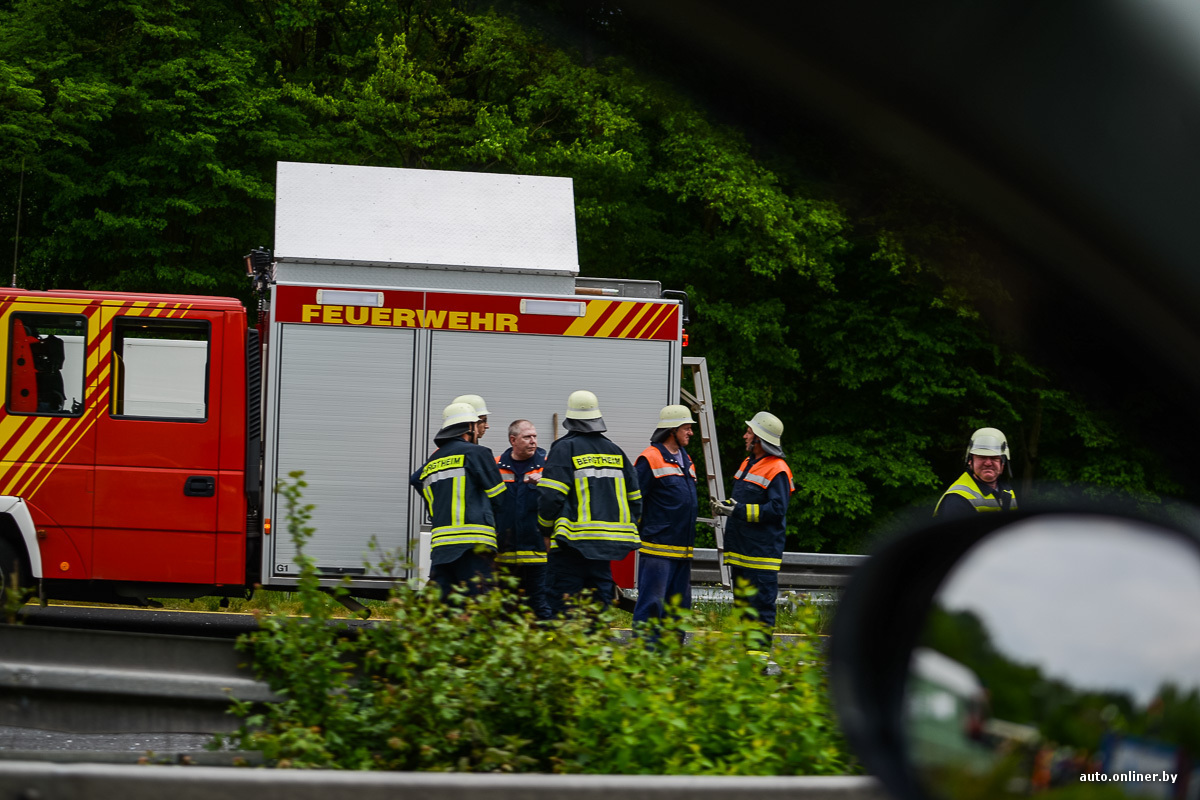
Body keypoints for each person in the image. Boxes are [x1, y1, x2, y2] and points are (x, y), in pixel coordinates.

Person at [538, 390, 642, 615]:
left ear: (570, 420)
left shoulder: (564, 448)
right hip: (604, 551)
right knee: (596, 617)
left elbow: (550, 497)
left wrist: (545, 531)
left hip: (569, 549)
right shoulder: (616, 452)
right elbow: (635, 500)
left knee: (564, 615)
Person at [714, 411, 794, 649]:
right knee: (744, 611)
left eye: (749, 432)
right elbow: (744, 501)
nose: (744, 436)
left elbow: (777, 509)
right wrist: (726, 507)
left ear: (759, 438)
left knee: (760, 612)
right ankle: (748, 661)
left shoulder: (778, 468)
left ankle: (758, 665)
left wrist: (737, 511)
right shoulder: (749, 463)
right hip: (742, 552)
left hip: (760, 556)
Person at [410, 402, 507, 599]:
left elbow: (415, 479)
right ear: (468, 427)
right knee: (480, 605)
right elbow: (500, 498)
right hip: (475, 544)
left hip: (442, 548)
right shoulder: (477, 453)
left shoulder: (432, 464)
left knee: (445, 607)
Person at [632, 405, 699, 628]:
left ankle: (672, 658)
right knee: (652, 606)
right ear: (672, 430)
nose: (690, 432)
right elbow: (634, 500)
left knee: (678, 610)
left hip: (682, 550)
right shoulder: (649, 458)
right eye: (686, 428)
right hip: (657, 550)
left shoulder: (686, 459)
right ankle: (645, 656)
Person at [494, 419, 551, 619]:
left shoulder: (547, 466)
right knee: (505, 607)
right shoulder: (495, 466)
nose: (533, 441)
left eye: (534, 436)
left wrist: (546, 485)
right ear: (513, 440)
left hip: (538, 552)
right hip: (504, 553)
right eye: (527, 437)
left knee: (540, 605)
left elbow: (560, 501)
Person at [933, 427, 1018, 518]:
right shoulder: (957, 499)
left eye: (994, 458)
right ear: (970, 461)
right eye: (982, 457)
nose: (988, 463)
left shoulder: (1007, 491)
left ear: (1003, 463)